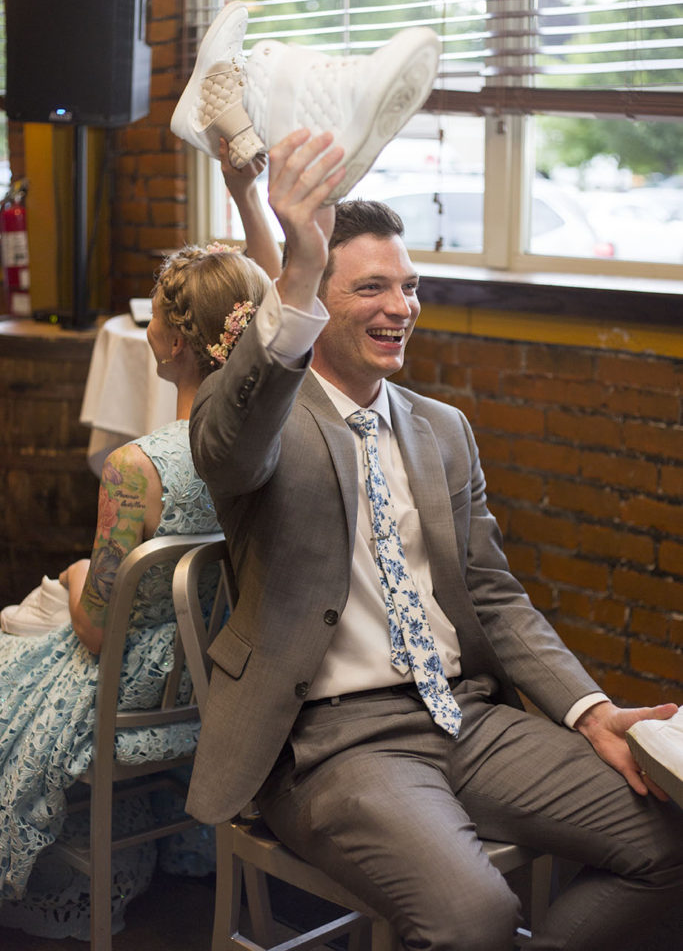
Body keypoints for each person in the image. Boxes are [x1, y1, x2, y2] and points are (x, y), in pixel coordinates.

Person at [187, 129, 683, 951]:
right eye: (372, 287)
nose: (400, 306)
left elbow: (491, 589)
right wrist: (296, 265)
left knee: (667, 846)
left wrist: (588, 709)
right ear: (317, 302)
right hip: (331, 742)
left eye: (410, 287)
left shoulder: (442, 429)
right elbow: (227, 451)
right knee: (475, 918)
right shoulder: (266, 418)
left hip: (467, 719)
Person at [0, 145, 277, 940]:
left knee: (33, 622)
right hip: (214, 681)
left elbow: (96, 626)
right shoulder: (273, 449)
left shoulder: (135, 468)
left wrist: (83, 569)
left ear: (172, 340)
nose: (148, 322)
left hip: (133, 697)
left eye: (154, 311)